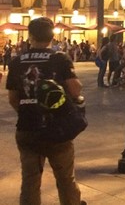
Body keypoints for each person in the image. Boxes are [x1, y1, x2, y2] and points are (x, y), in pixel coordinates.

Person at [6, 17, 86, 205]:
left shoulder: (17, 62)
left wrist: (27, 110)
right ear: (52, 37)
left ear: (30, 36)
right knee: (66, 179)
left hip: (27, 129)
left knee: (30, 181)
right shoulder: (59, 59)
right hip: (57, 129)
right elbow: (75, 89)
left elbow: (12, 98)